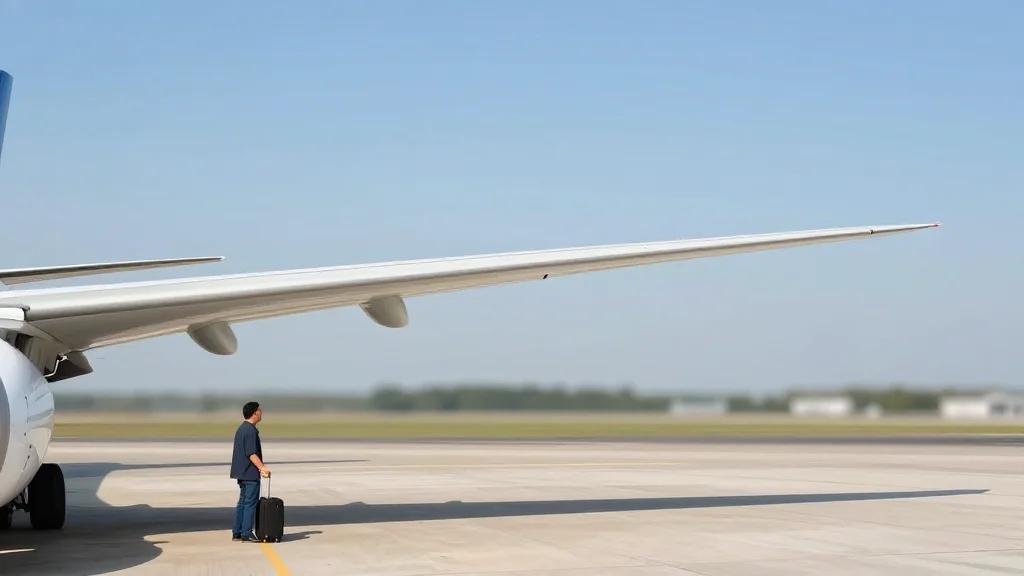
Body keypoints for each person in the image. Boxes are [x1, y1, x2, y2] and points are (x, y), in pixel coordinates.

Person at [230, 401, 270, 542]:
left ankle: (237, 532)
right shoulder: (250, 430)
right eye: (259, 410)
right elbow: (251, 453)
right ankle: (246, 532)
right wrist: (262, 468)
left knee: (242, 503)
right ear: (254, 413)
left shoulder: (242, 429)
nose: (261, 412)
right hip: (250, 473)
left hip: (242, 473)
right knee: (249, 504)